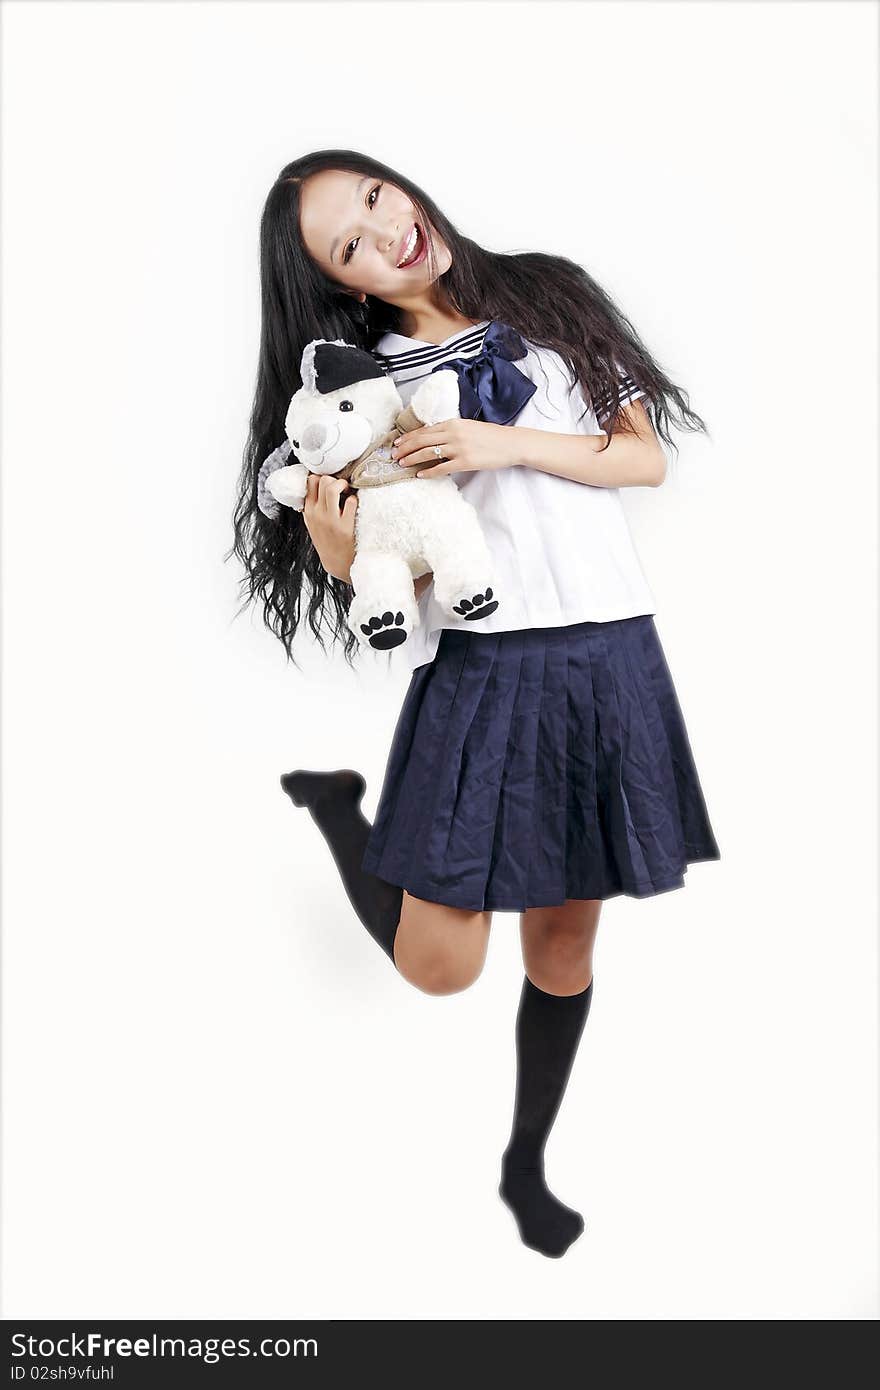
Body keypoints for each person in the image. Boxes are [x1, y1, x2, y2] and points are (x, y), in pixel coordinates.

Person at [230, 149, 721, 1258]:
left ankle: (524, 1161)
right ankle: (335, 812)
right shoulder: (362, 381)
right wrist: (328, 527)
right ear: (342, 284)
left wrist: (497, 443)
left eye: (370, 197)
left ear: (395, 183)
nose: (381, 230)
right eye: (346, 244)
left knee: (560, 949)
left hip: (606, 655)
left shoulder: (551, 291)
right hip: (483, 669)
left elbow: (640, 460)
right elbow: (388, 574)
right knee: (438, 966)